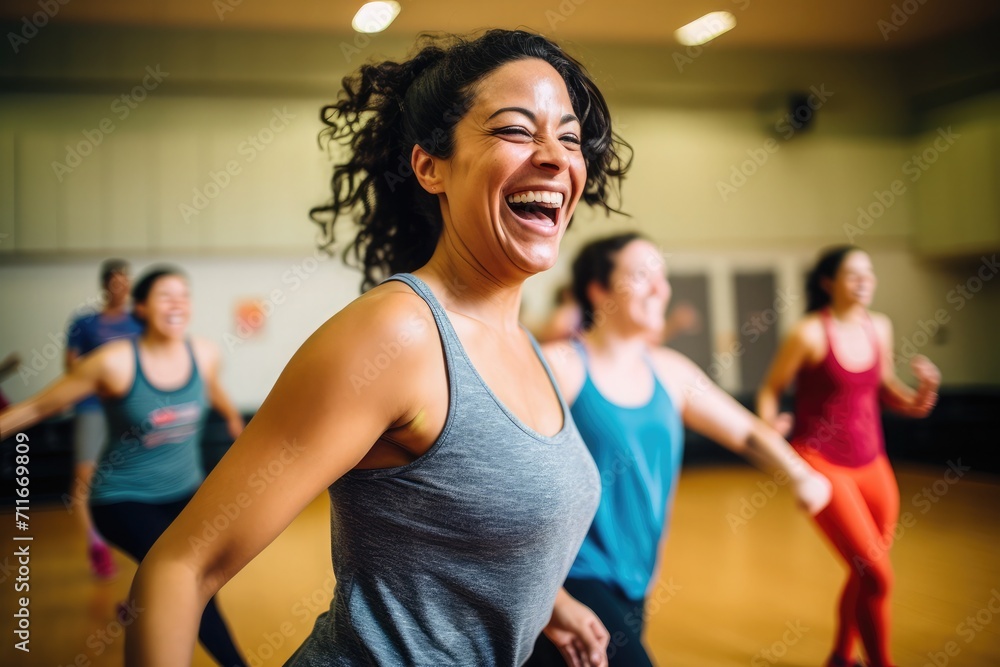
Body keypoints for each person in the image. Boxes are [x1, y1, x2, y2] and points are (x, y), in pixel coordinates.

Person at [126, 29, 632, 667]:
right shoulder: (399, 335)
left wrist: (548, 601)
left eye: (568, 136)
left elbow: (460, 534)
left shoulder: (523, 341)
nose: (556, 157)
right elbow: (178, 566)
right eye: (514, 130)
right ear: (431, 167)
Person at [524, 233, 832, 666]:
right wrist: (551, 595)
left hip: (637, 577)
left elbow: (746, 432)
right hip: (571, 579)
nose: (660, 288)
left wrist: (798, 472)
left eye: (662, 276)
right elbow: (507, 475)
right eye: (641, 276)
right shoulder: (562, 365)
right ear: (599, 289)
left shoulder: (670, 373)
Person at [0, 266, 248, 667]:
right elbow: (39, 406)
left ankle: (139, 606)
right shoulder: (114, 363)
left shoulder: (204, 353)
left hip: (185, 493)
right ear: (142, 308)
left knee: (176, 576)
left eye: (183, 295)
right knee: (186, 579)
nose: (177, 303)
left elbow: (212, 385)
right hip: (122, 498)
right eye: (165, 295)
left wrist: (233, 417)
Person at [757, 246, 940, 667]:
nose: (865, 281)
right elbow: (770, 388)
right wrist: (769, 427)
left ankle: (841, 657)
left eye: (869, 273)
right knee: (878, 576)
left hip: (874, 462)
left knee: (865, 572)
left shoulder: (880, 327)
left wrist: (921, 395)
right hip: (821, 462)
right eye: (853, 274)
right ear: (828, 283)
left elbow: (884, 384)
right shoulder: (809, 334)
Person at [64, 259, 144, 579]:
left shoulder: (139, 322)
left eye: (126, 281)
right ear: (105, 285)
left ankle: (142, 554)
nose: (121, 287)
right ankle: (96, 544)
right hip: (92, 407)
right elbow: (72, 368)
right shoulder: (85, 323)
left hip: (128, 409)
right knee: (85, 477)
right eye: (115, 281)